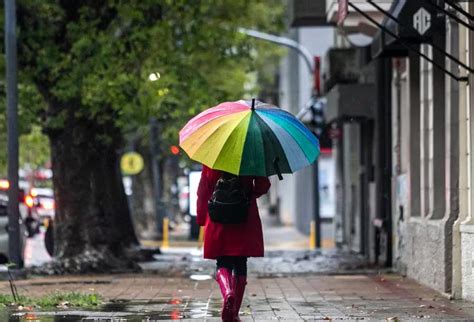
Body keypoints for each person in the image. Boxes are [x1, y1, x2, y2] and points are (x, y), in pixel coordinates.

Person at [196, 165, 271, 321]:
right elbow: (263, 185)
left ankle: (228, 292)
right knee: (240, 262)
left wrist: (201, 217)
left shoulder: (212, 160)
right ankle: (234, 313)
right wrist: (250, 194)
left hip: (218, 215)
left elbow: (203, 189)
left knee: (223, 261)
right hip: (244, 215)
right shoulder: (250, 157)